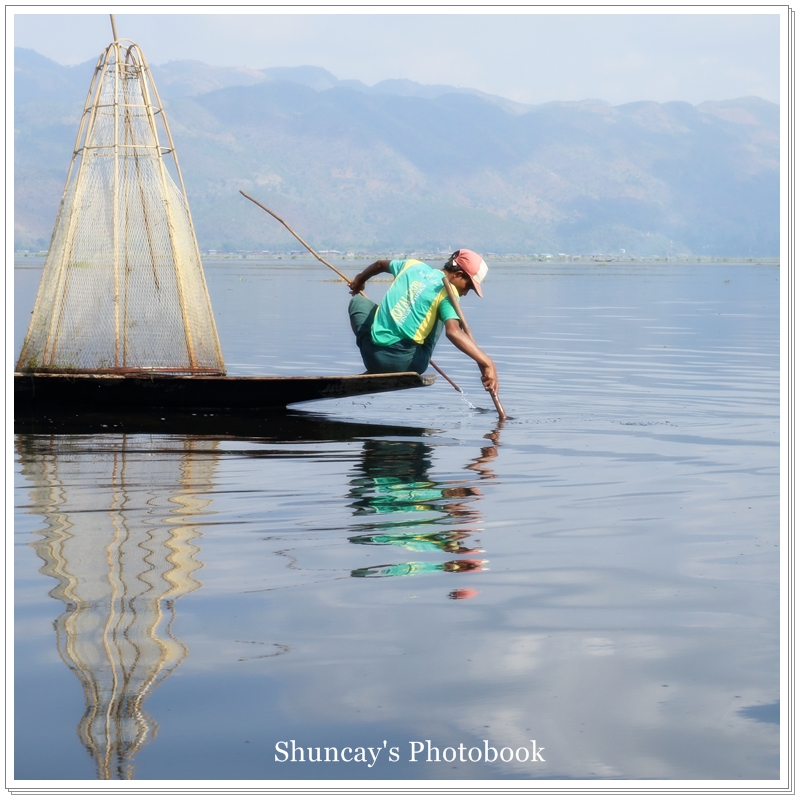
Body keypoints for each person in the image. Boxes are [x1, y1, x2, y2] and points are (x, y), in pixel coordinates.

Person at [347, 249, 499, 394]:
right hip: (410, 364)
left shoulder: (412, 265)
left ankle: (377, 367)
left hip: (373, 358)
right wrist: (488, 363)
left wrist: (360, 279)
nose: (466, 293)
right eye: (469, 287)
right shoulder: (448, 292)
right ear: (458, 274)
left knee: (358, 301)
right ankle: (397, 360)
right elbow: (453, 331)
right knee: (445, 316)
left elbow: (379, 264)